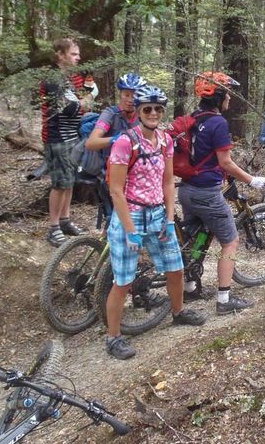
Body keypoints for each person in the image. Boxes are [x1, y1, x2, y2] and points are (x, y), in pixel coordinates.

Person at [104, 85, 206, 360]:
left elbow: (167, 181)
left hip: (159, 214)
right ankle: (113, 338)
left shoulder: (165, 141)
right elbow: (115, 189)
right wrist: (129, 230)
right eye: (147, 109)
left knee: (175, 267)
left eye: (157, 109)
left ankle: (178, 312)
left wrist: (170, 218)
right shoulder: (125, 142)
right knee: (123, 280)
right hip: (131, 214)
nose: (153, 113)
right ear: (138, 112)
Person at [176, 71, 265, 315]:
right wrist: (251, 180)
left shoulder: (193, 118)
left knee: (194, 239)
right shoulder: (218, 123)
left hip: (186, 189)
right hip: (206, 193)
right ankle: (224, 299)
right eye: (227, 93)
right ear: (218, 96)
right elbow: (226, 161)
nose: (230, 97)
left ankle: (189, 286)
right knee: (231, 241)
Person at [39, 37, 93, 247]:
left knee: (70, 181)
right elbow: (70, 108)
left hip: (72, 136)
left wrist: (82, 102)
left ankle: (65, 220)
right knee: (60, 183)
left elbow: (84, 103)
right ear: (60, 55)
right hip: (57, 138)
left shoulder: (68, 79)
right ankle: (53, 228)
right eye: (73, 54)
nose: (78, 58)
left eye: (78, 54)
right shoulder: (53, 80)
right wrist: (82, 102)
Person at [85, 73, 146, 221]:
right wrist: (115, 140)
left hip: (136, 176)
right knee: (115, 219)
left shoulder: (143, 116)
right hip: (111, 174)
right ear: (120, 94)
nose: (131, 100)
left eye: (135, 95)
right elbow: (91, 143)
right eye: (126, 95)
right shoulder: (110, 114)